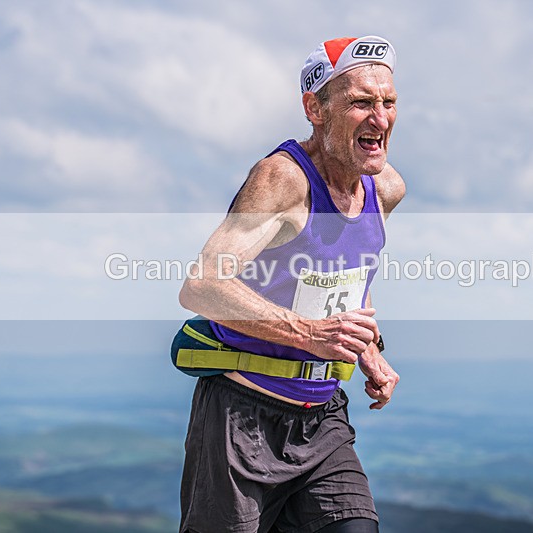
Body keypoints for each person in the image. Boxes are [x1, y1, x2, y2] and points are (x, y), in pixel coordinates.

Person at [177, 35, 405, 533]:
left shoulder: (385, 188)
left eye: (388, 103)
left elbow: (349, 276)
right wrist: (309, 335)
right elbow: (201, 285)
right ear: (315, 108)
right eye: (361, 103)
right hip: (242, 417)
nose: (380, 119)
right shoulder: (283, 180)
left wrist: (367, 347)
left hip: (322, 418)